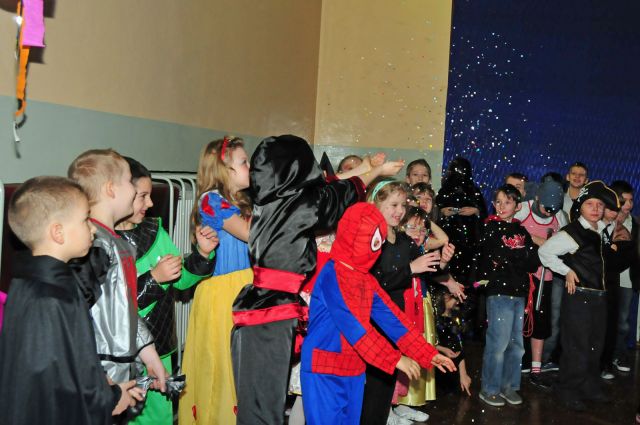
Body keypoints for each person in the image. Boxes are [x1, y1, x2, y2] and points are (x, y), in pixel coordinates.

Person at [231, 135, 404, 425]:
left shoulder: (268, 200)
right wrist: (374, 172)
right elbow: (338, 195)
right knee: (264, 409)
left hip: (256, 309)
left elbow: (330, 188)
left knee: (256, 403)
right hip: (273, 315)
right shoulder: (300, 207)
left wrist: (370, 169)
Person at [0, 176, 144, 425]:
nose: (93, 228)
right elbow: (61, 382)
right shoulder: (53, 297)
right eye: (85, 219)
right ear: (58, 232)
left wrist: (105, 384)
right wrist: (110, 397)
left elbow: (70, 362)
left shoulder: (25, 283)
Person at [300, 202, 456, 425]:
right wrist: (395, 359)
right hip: (324, 370)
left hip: (353, 369)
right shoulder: (333, 274)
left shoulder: (365, 279)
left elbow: (392, 318)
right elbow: (356, 329)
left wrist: (427, 352)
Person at [114, 157, 218, 425]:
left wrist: (201, 255)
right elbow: (117, 309)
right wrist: (155, 279)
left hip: (160, 348)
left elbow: (180, 279)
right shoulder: (103, 244)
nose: (150, 203)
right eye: (142, 196)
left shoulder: (154, 232)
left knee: (158, 417)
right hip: (121, 356)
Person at [68, 149, 168, 391]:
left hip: (121, 367)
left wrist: (149, 354)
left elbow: (126, 307)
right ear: (112, 189)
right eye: (129, 182)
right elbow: (76, 316)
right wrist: (101, 380)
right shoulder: (95, 245)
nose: (134, 189)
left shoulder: (117, 243)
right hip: (103, 373)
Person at [360, 184, 454, 425]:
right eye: (393, 205)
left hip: (395, 320)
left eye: (403, 205)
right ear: (375, 204)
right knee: (372, 388)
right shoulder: (373, 239)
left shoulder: (403, 240)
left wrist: (442, 263)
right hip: (374, 321)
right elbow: (373, 282)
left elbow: (428, 270)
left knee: (385, 385)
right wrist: (410, 269)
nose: (400, 210)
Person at [177, 137, 253, 425]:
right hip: (223, 293)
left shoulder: (239, 201)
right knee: (222, 364)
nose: (250, 166)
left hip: (241, 287)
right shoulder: (211, 200)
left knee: (239, 365)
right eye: (243, 162)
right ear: (223, 169)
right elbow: (251, 234)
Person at [539, 181, 622, 411]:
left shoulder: (601, 230)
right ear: (580, 207)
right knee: (577, 346)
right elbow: (545, 252)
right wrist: (566, 271)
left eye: (599, 205)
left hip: (598, 297)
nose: (595, 208)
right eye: (589, 204)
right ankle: (568, 389)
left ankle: (589, 386)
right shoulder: (573, 232)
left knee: (595, 344)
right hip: (579, 297)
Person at [478, 184, 539, 407]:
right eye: (498, 202)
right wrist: (517, 257)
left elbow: (533, 261)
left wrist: (516, 257)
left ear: (518, 206)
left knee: (517, 345)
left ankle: (509, 386)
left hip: (518, 292)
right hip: (499, 292)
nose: (502, 206)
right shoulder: (489, 228)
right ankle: (490, 388)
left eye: (508, 202)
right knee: (498, 343)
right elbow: (493, 258)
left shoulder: (521, 231)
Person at [514, 180, 566, 388]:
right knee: (519, 320)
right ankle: (517, 361)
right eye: (546, 207)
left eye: (553, 209)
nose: (548, 213)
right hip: (521, 276)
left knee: (540, 322)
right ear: (537, 198)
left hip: (545, 277)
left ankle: (536, 368)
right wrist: (535, 238)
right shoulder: (522, 209)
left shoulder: (559, 217)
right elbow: (507, 228)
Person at [609, 180, 637, 373]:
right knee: (605, 318)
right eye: (624, 200)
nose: (628, 205)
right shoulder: (604, 219)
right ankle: (604, 357)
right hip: (606, 278)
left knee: (623, 321)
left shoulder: (635, 223)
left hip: (626, 278)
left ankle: (619, 354)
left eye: (631, 200)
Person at [434, 291, 472, 396]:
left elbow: (459, 347)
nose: (457, 302)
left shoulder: (455, 319)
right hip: (435, 364)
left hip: (451, 367)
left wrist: (463, 374)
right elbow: (427, 342)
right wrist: (442, 349)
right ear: (444, 297)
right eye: (454, 298)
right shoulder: (433, 318)